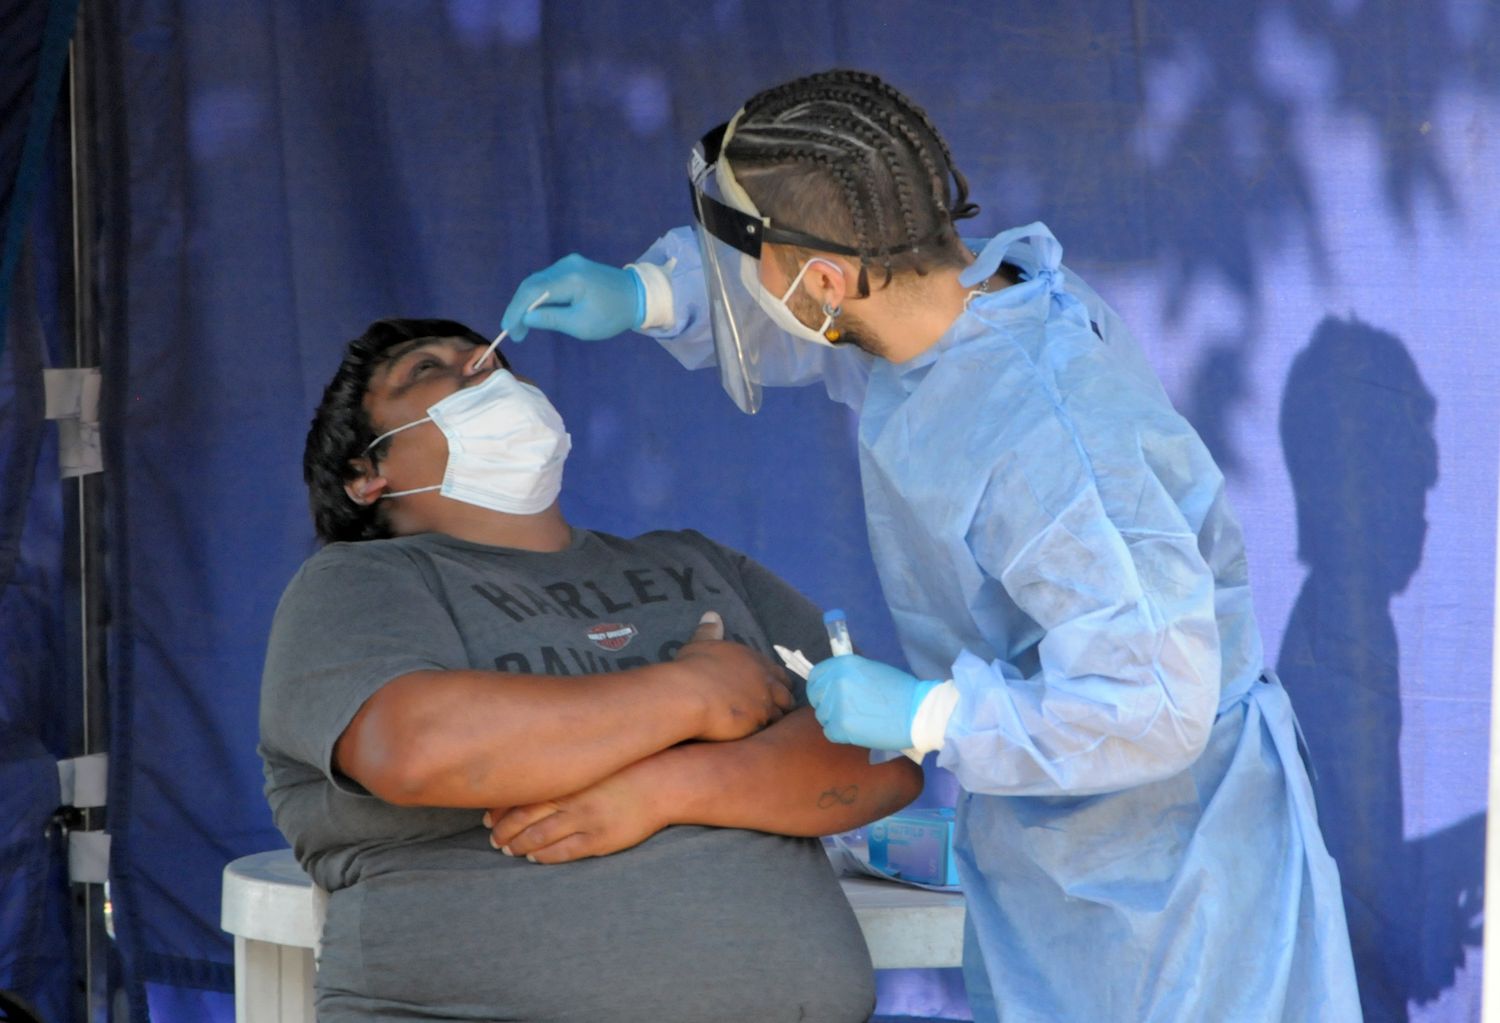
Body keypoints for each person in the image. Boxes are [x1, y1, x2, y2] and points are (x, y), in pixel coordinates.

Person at [499, 69, 1362, 1021]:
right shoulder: (946, 305)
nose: (746, 286)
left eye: (749, 267)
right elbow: (827, 326)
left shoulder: (1049, 435)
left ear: (823, 280)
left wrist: (931, 718)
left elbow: (1154, 701)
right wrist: (651, 292)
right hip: (1064, 845)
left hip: (1176, 874)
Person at [258, 316, 924, 1022]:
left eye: (493, 361)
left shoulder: (697, 563)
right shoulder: (355, 584)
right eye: (429, 369)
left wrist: (664, 788)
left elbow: (881, 752)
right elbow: (418, 747)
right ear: (366, 475)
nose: (484, 369)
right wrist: (692, 694)